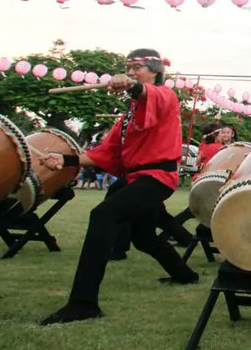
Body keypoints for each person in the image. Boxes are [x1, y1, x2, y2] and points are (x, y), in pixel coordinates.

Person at [39, 49, 199, 325]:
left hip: (157, 177)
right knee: (143, 237)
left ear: (156, 70)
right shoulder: (128, 118)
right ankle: (185, 275)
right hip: (138, 178)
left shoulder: (166, 96)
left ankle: (83, 303)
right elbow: (105, 153)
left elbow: (148, 93)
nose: (132, 71)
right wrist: (64, 159)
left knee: (103, 214)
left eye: (137, 67)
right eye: (128, 67)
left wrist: (133, 86)